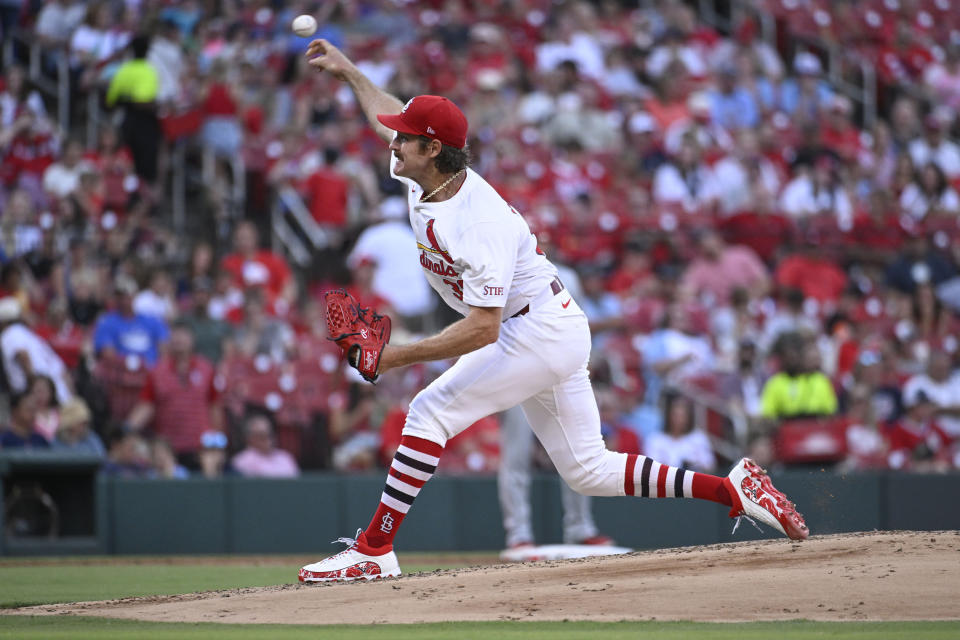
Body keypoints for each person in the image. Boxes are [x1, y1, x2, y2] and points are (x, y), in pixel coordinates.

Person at [298, 39, 809, 583]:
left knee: (428, 412)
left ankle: (374, 551)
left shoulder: (478, 223)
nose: (392, 142)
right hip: (548, 324)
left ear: (431, 149)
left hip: (532, 328)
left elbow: (484, 327)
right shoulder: (422, 170)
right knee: (588, 470)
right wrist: (351, 71)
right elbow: (386, 115)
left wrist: (395, 358)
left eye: (405, 137)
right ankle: (733, 490)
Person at [498, 405, 612, 550]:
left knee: (575, 454)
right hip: (516, 387)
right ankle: (518, 535)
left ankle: (580, 530)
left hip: (556, 383)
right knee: (516, 458)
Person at [123, 321, 223, 470]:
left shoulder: (207, 369)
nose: (179, 339)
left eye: (184, 334)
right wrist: (127, 430)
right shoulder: (157, 372)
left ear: (192, 339)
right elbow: (146, 406)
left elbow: (215, 407)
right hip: (169, 448)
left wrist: (218, 443)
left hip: (200, 447)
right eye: (175, 334)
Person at [231, 413, 300, 478]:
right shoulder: (242, 460)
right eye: (261, 435)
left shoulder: (285, 457)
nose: (267, 439)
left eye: (269, 434)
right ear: (249, 438)